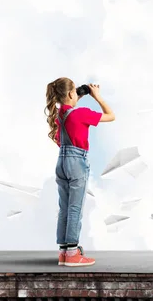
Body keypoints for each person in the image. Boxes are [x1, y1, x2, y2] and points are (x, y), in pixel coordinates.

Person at [44, 77, 115, 267]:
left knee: (65, 208)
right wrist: (97, 96)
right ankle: (73, 254)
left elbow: (68, 116)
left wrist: (79, 94)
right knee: (75, 208)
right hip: (77, 161)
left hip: (62, 161)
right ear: (69, 94)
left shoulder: (59, 115)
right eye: (75, 91)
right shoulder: (81, 114)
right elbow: (111, 115)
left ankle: (63, 253)